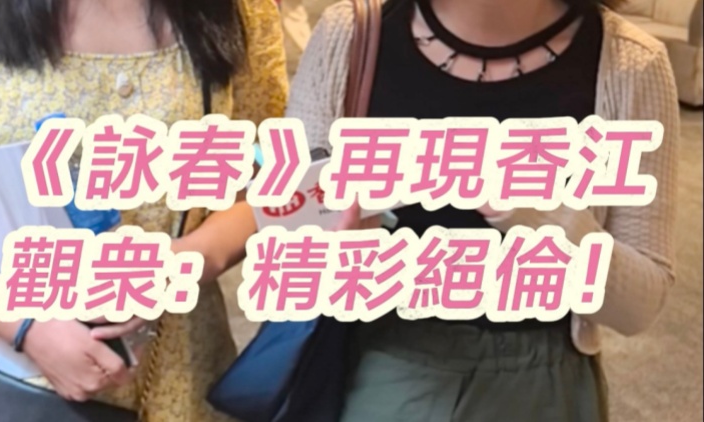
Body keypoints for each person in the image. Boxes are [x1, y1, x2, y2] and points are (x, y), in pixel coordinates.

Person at [287, 0, 679, 420]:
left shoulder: (629, 63)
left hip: (541, 382)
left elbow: (639, 304)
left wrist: (537, 215)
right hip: (377, 363)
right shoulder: (351, 34)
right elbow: (289, 235)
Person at [0, 0, 288, 420]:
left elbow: (267, 175)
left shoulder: (242, 11)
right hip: (10, 384)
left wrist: (185, 260)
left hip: (181, 377)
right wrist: (28, 328)